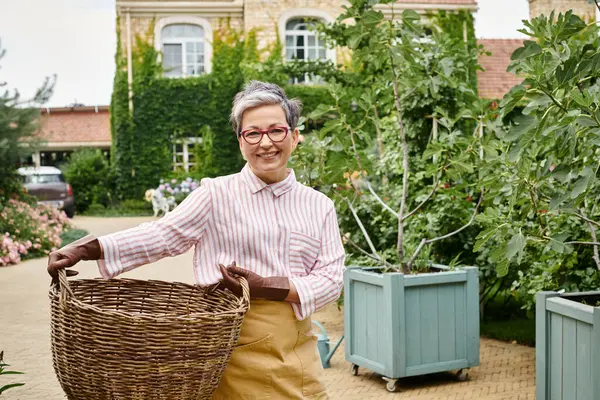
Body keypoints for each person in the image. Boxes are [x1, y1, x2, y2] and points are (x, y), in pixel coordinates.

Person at [47, 80, 346, 399]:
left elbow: (331, 278)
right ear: (240, 142)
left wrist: (269, 285)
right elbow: (163, 235)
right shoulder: (216, 195)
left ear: (295, 136)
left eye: (276, 130)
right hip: (231, 345)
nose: (266, 143)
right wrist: (89, 247)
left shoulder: (319, 205)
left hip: (296, 351)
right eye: (253, 133)